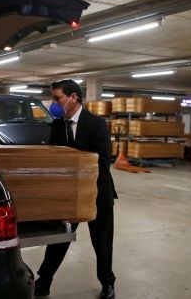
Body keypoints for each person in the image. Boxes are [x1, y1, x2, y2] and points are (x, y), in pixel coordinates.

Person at [35, 79, 117, 299]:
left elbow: (103, 162)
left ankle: (107, 283)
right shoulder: (57, 125)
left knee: (102, 241)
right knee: (60, 239)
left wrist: (77, 172)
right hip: (68, 194)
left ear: (73, 98)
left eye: (57, 98)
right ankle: (44, 281)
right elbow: (55, 158)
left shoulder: (96, 123)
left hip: (97, 192)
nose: (53, 103)